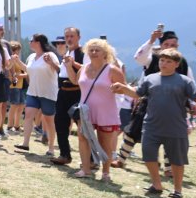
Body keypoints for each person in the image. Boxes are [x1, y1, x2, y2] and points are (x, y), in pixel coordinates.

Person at [112, 48, 196, 198]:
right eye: (162, 60)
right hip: (151, 125)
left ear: (176, 64)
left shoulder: (185, 81)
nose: (163, 63)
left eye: (168, 61)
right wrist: (124, 89)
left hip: (176, 127)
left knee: (177, 160)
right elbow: (137, 93)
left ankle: (177, 190)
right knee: (148, 156)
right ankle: (157, 184)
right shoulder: (150, 79)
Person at [65, 39, 126, 181]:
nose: (93, 52)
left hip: (106, 111)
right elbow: (75, 81)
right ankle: (85, 169)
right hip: (86, 111)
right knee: (83, 138)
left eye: (97, 50)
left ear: (105, 53)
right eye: (91, 50)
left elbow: (123, 88)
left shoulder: (112, 70)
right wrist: (69, 66)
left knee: (105, 142)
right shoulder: (84, 68)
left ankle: (106, 172)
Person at [12, 34, 59, 156]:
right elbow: (28, 70)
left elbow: (58, 69)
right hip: (33, 92)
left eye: (32, 41)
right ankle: (25, 144)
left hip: (48, 93)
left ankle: (51, 148)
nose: (30, 42)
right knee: (28, 116)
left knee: (49, 121)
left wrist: (50, 63)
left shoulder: (50, 55)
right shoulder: (32, 56)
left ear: (38, 43)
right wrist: (17, 61)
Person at [51, 28, 85, 166]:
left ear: (78, 37)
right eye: (67, 36)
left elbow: (87, 68)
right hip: (63, 92)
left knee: (83, 127)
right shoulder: (68, 52)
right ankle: (65, 154)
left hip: (77, 92)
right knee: (60, 123)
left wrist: (72, 63)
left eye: (72, 36)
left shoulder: (82, 52)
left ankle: (91, 159)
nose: (69, 39)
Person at [6, 41, 26, 134]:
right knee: (14, 105)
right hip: (13, 85)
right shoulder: (11, 59)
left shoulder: (17, 59)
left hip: (20, 85)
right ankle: (10, 125)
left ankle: (17, 125)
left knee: (21, 105)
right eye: (17, 50)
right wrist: (25, 75)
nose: (18, 52)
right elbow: (13, 74)